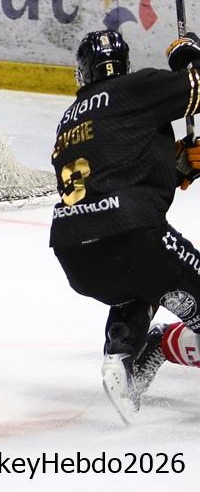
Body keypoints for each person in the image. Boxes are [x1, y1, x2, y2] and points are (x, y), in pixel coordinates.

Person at [51, 29, 200, 423]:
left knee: (141, 278)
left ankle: (121, 352)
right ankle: (160, 346)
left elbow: (117, 174)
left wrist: (180, 167)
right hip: (134, 237)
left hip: (76, 256)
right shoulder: (136, 89)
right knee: (147, 263)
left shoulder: (70, 121)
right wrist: (188, 56)